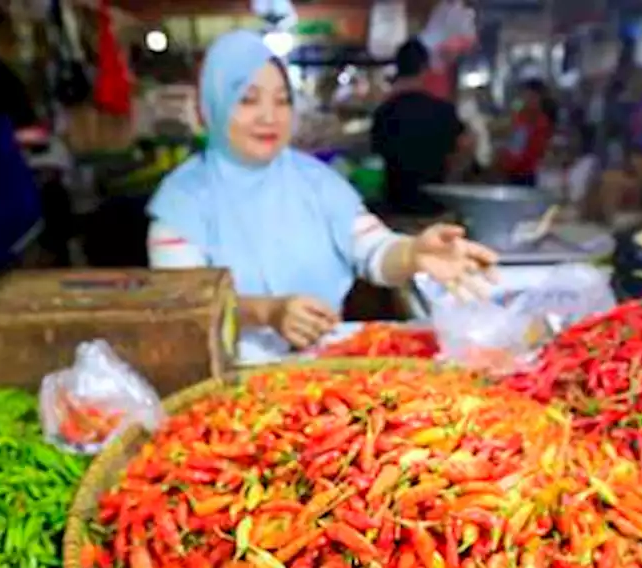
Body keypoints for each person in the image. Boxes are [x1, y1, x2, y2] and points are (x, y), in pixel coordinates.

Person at [148, 31, 496, 355]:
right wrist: (266, 312)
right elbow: (185, 307)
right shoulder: (182, 202)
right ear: (212, 107)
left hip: (321, 380)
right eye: (248, 100)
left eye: (283, 101)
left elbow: (373, 249)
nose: (269, 116)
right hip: (227, 384)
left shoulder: (316, 181)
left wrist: (412, 254)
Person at [371, 39, 473, 214]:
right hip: (436, 208)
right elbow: (467, 144)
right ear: (425, 69)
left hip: (396, 209)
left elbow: (376, 156)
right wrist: (453, 176)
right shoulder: (443, 110)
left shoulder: (384, 113)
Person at [498, 79, 556, 186]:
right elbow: (512, 144)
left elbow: (540, 150)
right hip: (511, 172)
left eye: (532, 97)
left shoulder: (542, 123)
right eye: (525, 96)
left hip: (529, 174)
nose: (527, 99)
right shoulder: (518, 118)